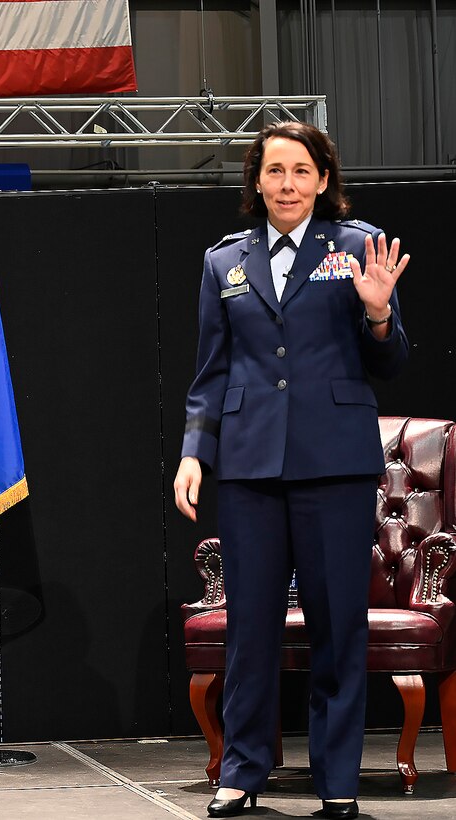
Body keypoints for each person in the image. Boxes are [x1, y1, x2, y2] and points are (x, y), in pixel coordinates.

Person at [174, 121, 410, 819]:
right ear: (256, 181)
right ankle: (242, 772)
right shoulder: (225, 261)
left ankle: (337, 780)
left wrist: (376, 316)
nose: (287, 184)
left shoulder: (356, 248)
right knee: (251, 626)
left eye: (301, 171)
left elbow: (392, 360)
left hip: (334, 463)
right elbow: (209, 373)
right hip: (248, 465)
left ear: (324, 180)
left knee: (340, 624)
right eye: (274, 171)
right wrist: (195, 451)